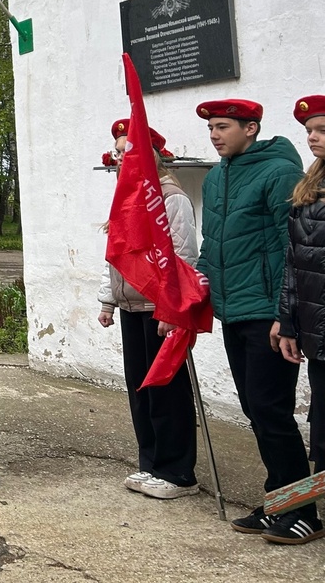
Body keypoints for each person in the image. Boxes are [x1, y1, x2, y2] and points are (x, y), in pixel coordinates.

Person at [192, 98, 312, 541]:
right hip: (233, 310)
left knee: (271, 410)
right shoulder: (219, 175)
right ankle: (278, 501)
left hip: (268, 314)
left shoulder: (278, 172)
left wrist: (287, 315)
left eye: (223, 127)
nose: (215, 135)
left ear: (252, 128)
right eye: (211, 129)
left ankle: (302, 511)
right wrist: (196, 290)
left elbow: (293, 248)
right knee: (255, 409)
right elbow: (214, 243)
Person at [98, 120, 199, 499]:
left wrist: (172, 308)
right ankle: (151, 462)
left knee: (166, 389)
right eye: (119, 152)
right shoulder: (126, 197)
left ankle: (177, 472)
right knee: (139, 386)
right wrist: (108, 300)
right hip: (131, 306)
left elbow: (182, 256)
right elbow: (116, 257)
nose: (121, 157)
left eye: (129, 150)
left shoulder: (171, 198)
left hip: (160, 308)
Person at [272, 94, 325, 544]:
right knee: (322, 433)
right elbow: (294, 263)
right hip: (316, 331)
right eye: (310, 130)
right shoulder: (311, 186)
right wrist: (288, 324)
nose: (312, 137)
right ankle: (300, 512)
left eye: (322, 130)